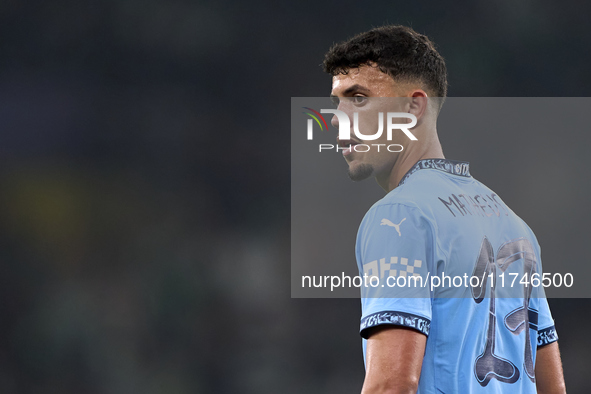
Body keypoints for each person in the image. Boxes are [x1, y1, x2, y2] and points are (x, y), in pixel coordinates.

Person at [323, 25, 566, 393]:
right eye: (337, 102)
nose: (339, 121)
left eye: (358, 98)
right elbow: (552, 388)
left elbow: (391, 384)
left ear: (413, 106)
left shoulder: (399, 218)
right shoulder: (514, 224)